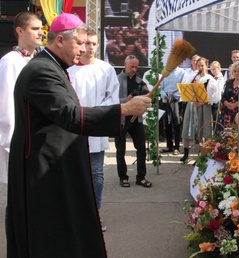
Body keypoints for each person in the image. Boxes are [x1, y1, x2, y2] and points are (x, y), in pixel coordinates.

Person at [6, 13, 151, 257]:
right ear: (60, 40)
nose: (85, 50)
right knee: (51, 235)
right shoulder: (43, 70)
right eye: (80, 43)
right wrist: (124, 110)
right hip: (45, 172)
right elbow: (70, 115)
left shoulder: (54, 66)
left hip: (56, 166)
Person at [67, 29, 120, 232]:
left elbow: (113, 97)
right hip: (73, 129)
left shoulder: (105, 69)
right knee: (74, 174)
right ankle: (74, 214)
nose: (90, 47)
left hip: (96, 129)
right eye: (86, 43)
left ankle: (94, 214)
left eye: (94, 44)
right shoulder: (69, 69)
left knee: (96, 173)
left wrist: (96, 113)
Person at [0, 11, 42, 185]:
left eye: (41, 28)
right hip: (20, 143)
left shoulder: (38, 60)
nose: (41, 32)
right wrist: (13, 145)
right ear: (20, 31)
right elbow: (6, 108)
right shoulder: (10, 62)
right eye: (35, 28)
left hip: (35, 139)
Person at [115, 55, 152, 188]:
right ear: (124, 64)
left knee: (141, 149)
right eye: (132, 66)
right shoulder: (116, 80)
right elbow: (110, 101)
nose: (134, 69)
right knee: (120, 150)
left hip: (136, 119)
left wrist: (146, 97)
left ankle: (141, 177)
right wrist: (126, 100)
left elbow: (147, 99)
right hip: (121, 120)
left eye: (136, 67)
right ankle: (123, 177)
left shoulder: (140, 82)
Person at [181, 57, 220, 163]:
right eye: (198, 65)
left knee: (204, 129)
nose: (200, 67)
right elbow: (187, 90)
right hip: (192, 105)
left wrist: (204, 101)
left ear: (206, 66)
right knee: (188, 128)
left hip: (204, 106)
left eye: (202, 65)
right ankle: (186, 154)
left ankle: (203, 155)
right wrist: (192, 98)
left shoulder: (210, 79)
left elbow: (215, 96)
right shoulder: (193, 77)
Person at [217, 62, 239, 133]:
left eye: (238, 71)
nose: (236, 73)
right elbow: (223, 96)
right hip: (228, 113)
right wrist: (226, 103)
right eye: (235, 71)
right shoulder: (229, 82)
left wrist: (235, 105)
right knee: (228, 134)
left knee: (238, 133)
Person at [159, 66, 186, 155]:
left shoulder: (182, 72)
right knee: (167, 122)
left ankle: (177, 146)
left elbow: (183, 87)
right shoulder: (165, 71)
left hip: (176, 101)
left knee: (176, 122)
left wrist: (174, 96)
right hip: (166, 100)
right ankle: (169, 145)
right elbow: (160, 86)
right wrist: (164, 94)